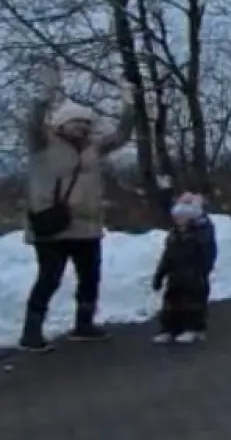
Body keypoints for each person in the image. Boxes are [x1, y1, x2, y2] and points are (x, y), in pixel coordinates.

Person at [18, 65, 136, 351]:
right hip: (53, 224)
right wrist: (46, 95)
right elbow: (33, 123)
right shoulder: (43, 144)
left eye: (86, 123)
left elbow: (121, 136)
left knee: (90, 278)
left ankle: (84, 324)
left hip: (87, 226)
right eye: (76, 122)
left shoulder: (92, 148)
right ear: (61, 124)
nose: (82, 127)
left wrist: (128, 103)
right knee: (49, 278)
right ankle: (31, 331)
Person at [150, 192, 218, 345]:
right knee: (171, 303)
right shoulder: (174, 235)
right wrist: (160, 274)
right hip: (175, 276)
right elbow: (167, 256)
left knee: (193, 303)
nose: (178, 222)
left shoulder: (202, 233)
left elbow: (208, 254)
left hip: (194, 277)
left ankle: (193, 328)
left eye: (182, 219)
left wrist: (201, 270)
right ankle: (169, 328)